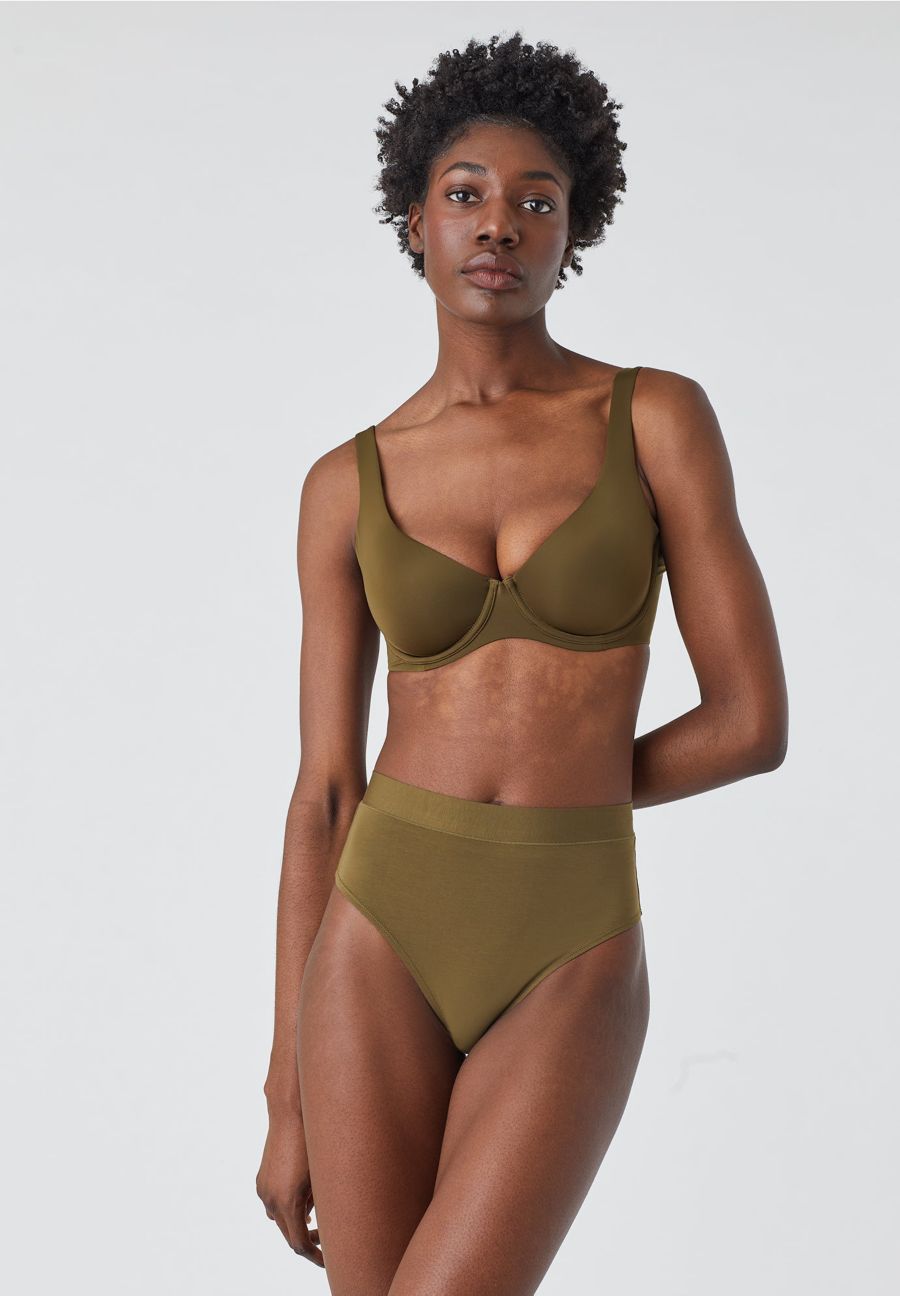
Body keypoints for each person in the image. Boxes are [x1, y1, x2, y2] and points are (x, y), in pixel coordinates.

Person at [256, 31, 788, 1295]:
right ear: (415, 221)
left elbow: (750, 721)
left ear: (572, 233)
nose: (499, 223)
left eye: (537, 202)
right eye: (467, 194)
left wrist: (563, 789)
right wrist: (283, 1092)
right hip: (377, 930)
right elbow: (325, 793)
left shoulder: (654, 419)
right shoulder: (344, 485)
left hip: (571, 930)